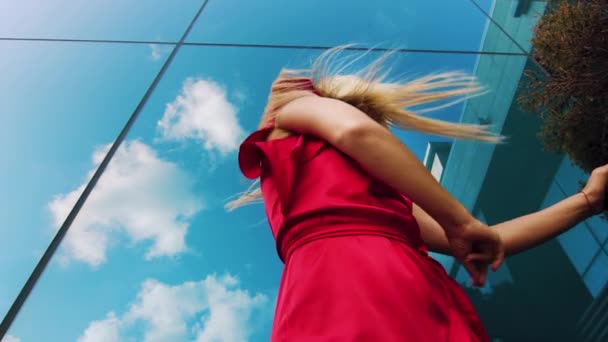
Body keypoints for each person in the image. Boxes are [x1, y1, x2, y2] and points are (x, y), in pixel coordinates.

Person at [226, 46, 607, 341]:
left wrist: (589, 200)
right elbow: (355, 133)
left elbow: (486, 241)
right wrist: (461, 220)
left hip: (344, 283)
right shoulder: (297, 112)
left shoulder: (378, 195)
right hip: (369, 277)